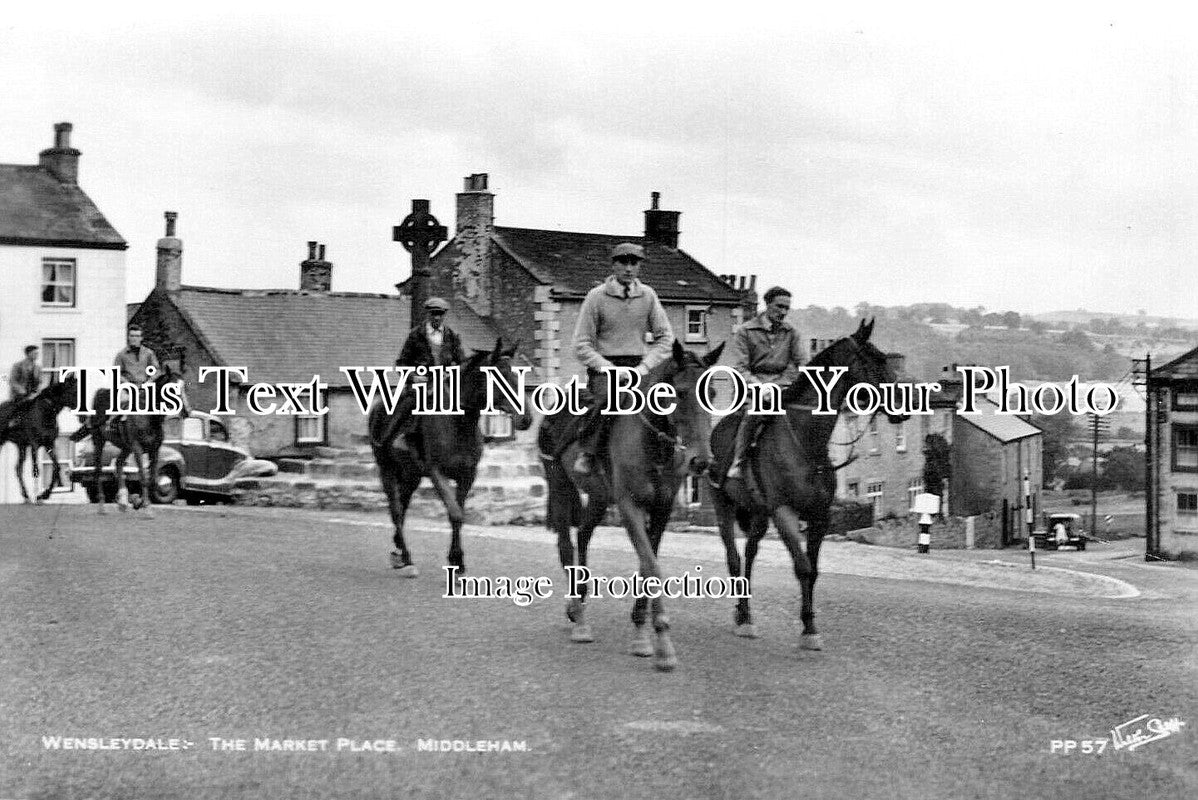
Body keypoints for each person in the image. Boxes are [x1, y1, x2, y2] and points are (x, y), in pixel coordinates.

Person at [568, 242, 674, 474]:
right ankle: (588, 453)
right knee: (606, 401)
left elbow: (665, 339)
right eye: (623, 262)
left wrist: (644, 367)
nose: (628, 268)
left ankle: (673, 455)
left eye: (633, 263)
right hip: (606, 369)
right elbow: (581, 344)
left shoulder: (648, 296)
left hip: (639, 368)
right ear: (614, 265)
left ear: (639, 267)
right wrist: (608, 368)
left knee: (666, 403)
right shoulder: (596, 297)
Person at [723, 286, 805, 481]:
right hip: (753, 388)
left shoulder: (791, 333)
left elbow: (801, 363)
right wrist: (760, 387)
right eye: (779, 306)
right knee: (753, 414)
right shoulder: (746, 331)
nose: (783, 312)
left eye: (787, 308)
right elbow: (740, 367)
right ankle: (738, 461)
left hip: (783, 387)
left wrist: (780, 384)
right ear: (767, 305)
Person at [382, 297, 465, 452]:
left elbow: (462, 363)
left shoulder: (452, 336)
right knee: (408, 403)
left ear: (444, 315)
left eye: (440, 314)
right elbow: (401, 363)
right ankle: (400, 437)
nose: (437, 317)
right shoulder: (415, 335)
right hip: (422, 384)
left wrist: (451, 373)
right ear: (428, 314)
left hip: (445, 383)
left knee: (465, 404)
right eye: (434, 313)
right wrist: (413, 376)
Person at [70, 325, 162, 442]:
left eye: (137, 336)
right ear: (129, 337)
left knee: (157, 405)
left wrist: (149, 381)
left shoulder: (149, 353)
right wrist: (127, 382)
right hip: (127, 387)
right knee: (123, 401)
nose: (134, 338)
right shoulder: (122, 354)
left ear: (141, 338)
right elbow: (116, 373)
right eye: (132, 336)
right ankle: (112, 422)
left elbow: (157, 370)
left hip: (145, 387)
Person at [0, 345, 43, 434]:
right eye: (34, 353)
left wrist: (36, 392)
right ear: (28, 354)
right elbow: (13, 381)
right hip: (20, 394)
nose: (37, 355)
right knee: (19, 406)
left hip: (33, 394)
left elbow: (39, 382)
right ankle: (13, 422)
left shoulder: (38, 368)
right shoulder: (18, 366)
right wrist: (22, 391)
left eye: (37, 353)